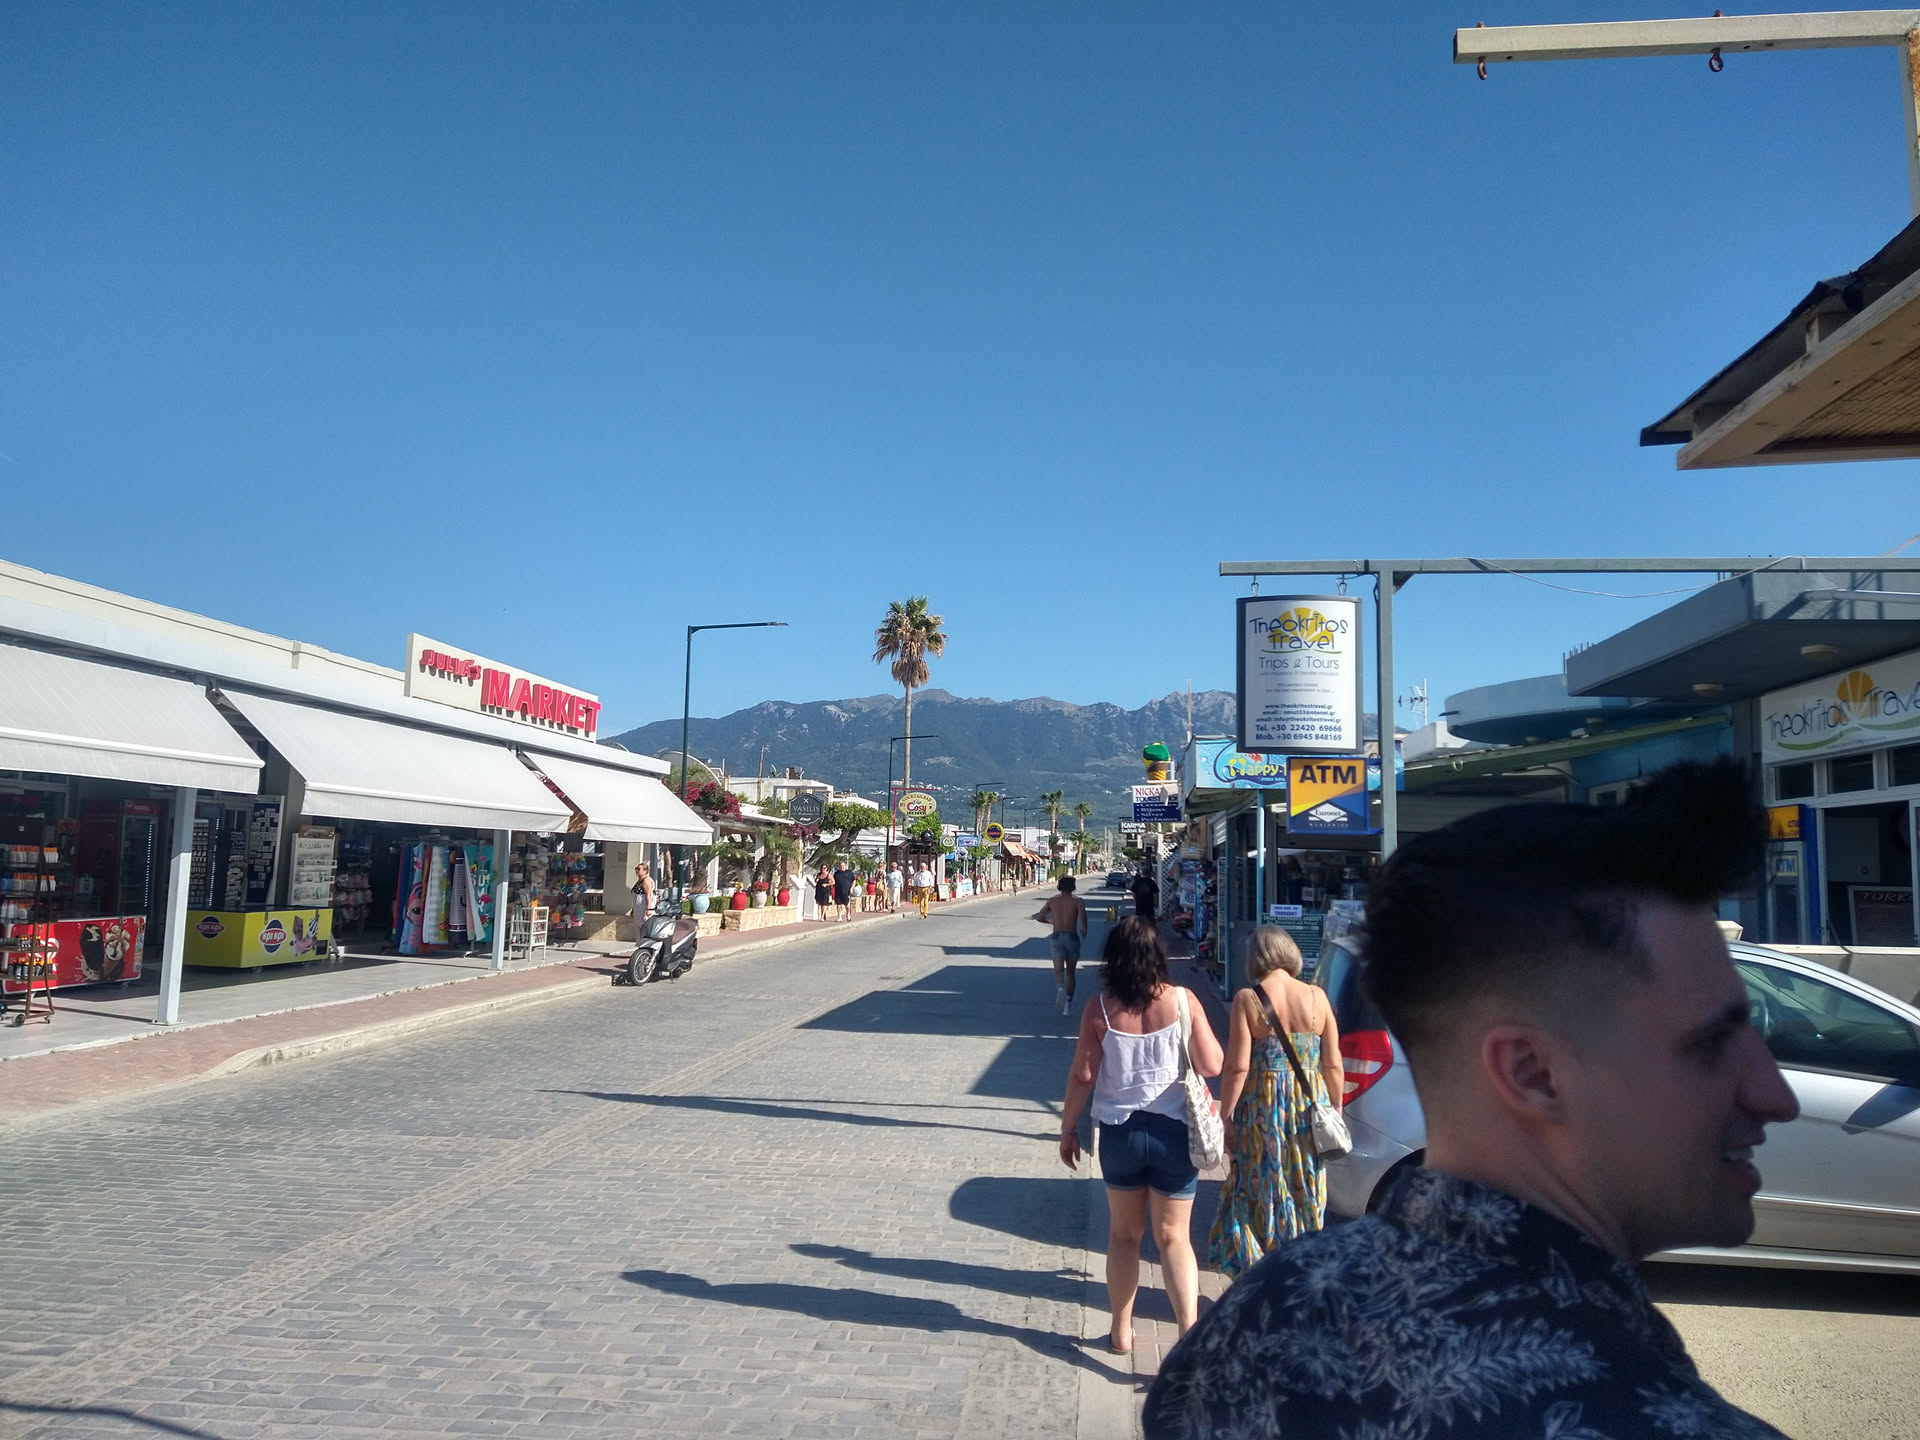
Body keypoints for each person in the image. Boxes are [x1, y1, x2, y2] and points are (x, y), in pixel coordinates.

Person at [1144, 761, 1801, 1439]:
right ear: (1531, 1073)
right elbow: (1332, 1061)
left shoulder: (1253, 1326)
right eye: (1710, 1042)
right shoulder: (1660, 1419)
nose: (1776, 1095)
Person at [1058, 917, 1223, 1353]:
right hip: (1175, 1133)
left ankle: (1121, 1332)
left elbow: (1083, 1074)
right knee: (1174, 1238)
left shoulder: (1100, 1007)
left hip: (1121, 1133)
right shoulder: (1184, 1000)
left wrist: (1068, 1128)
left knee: (1124, 1235)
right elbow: (1212, 1064)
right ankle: (1188, 1335)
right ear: (1157, 955)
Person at [1206, 926, 1342, 1279]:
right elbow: (1332, 1065)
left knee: (1259, 1188)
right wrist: (1335, 1109)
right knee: (1305, 1187)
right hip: (1307, 1110)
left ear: (1256, 957)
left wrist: (1225, 1116)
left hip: (1262, 1110)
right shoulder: (1317, 997)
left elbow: (1237, 1067)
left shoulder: (1248, 1000)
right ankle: (1302, 1271)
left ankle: (1260, 1274)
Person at [1036, 874, 1090, 1015]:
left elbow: (1039, 917)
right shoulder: (1078, 901)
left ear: (1059, 886)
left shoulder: (1052, 901)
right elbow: (1083, 919)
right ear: (1073, 887)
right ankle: (1068, 1004)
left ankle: (1060, 988)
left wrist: (1051, 922)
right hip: (1071, 936)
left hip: (1056, 937)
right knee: (1070, 972)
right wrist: (1084, 929)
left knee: (1058, 970)